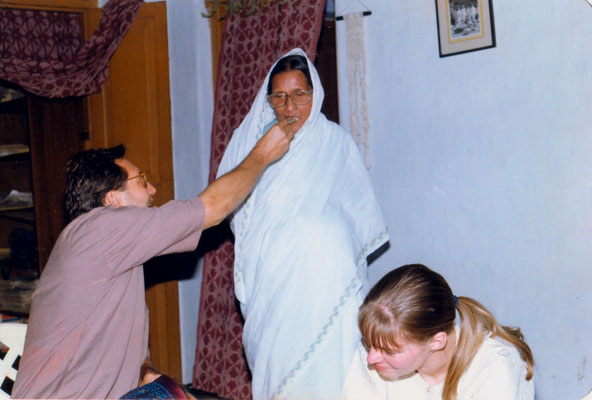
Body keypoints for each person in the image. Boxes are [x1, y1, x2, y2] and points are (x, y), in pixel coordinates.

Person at [12, 118, 296, 400]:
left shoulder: (107, 247)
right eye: (142, 181)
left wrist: (146, 371)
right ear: (113, 199)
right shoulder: (102, 229)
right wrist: (262, 154)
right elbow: (214, 207)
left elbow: (123, 349)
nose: (152, 190)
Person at [217, 48, 389, 399]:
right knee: (281, 365)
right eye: (279, 97)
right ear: (268, 100)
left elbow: (357, 214)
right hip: (273, 279)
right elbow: (231, 203)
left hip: (328, 281)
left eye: (299, 95)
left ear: (315, 94)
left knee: (332, 368)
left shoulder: (335, 143)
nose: (289, 107)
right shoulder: (252, 142)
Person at [342, 264, 535, 400]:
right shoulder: (377, 346)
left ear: (437, 342)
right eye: (369, 344)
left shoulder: (494, 364)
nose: (371, 358)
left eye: (390, 351)